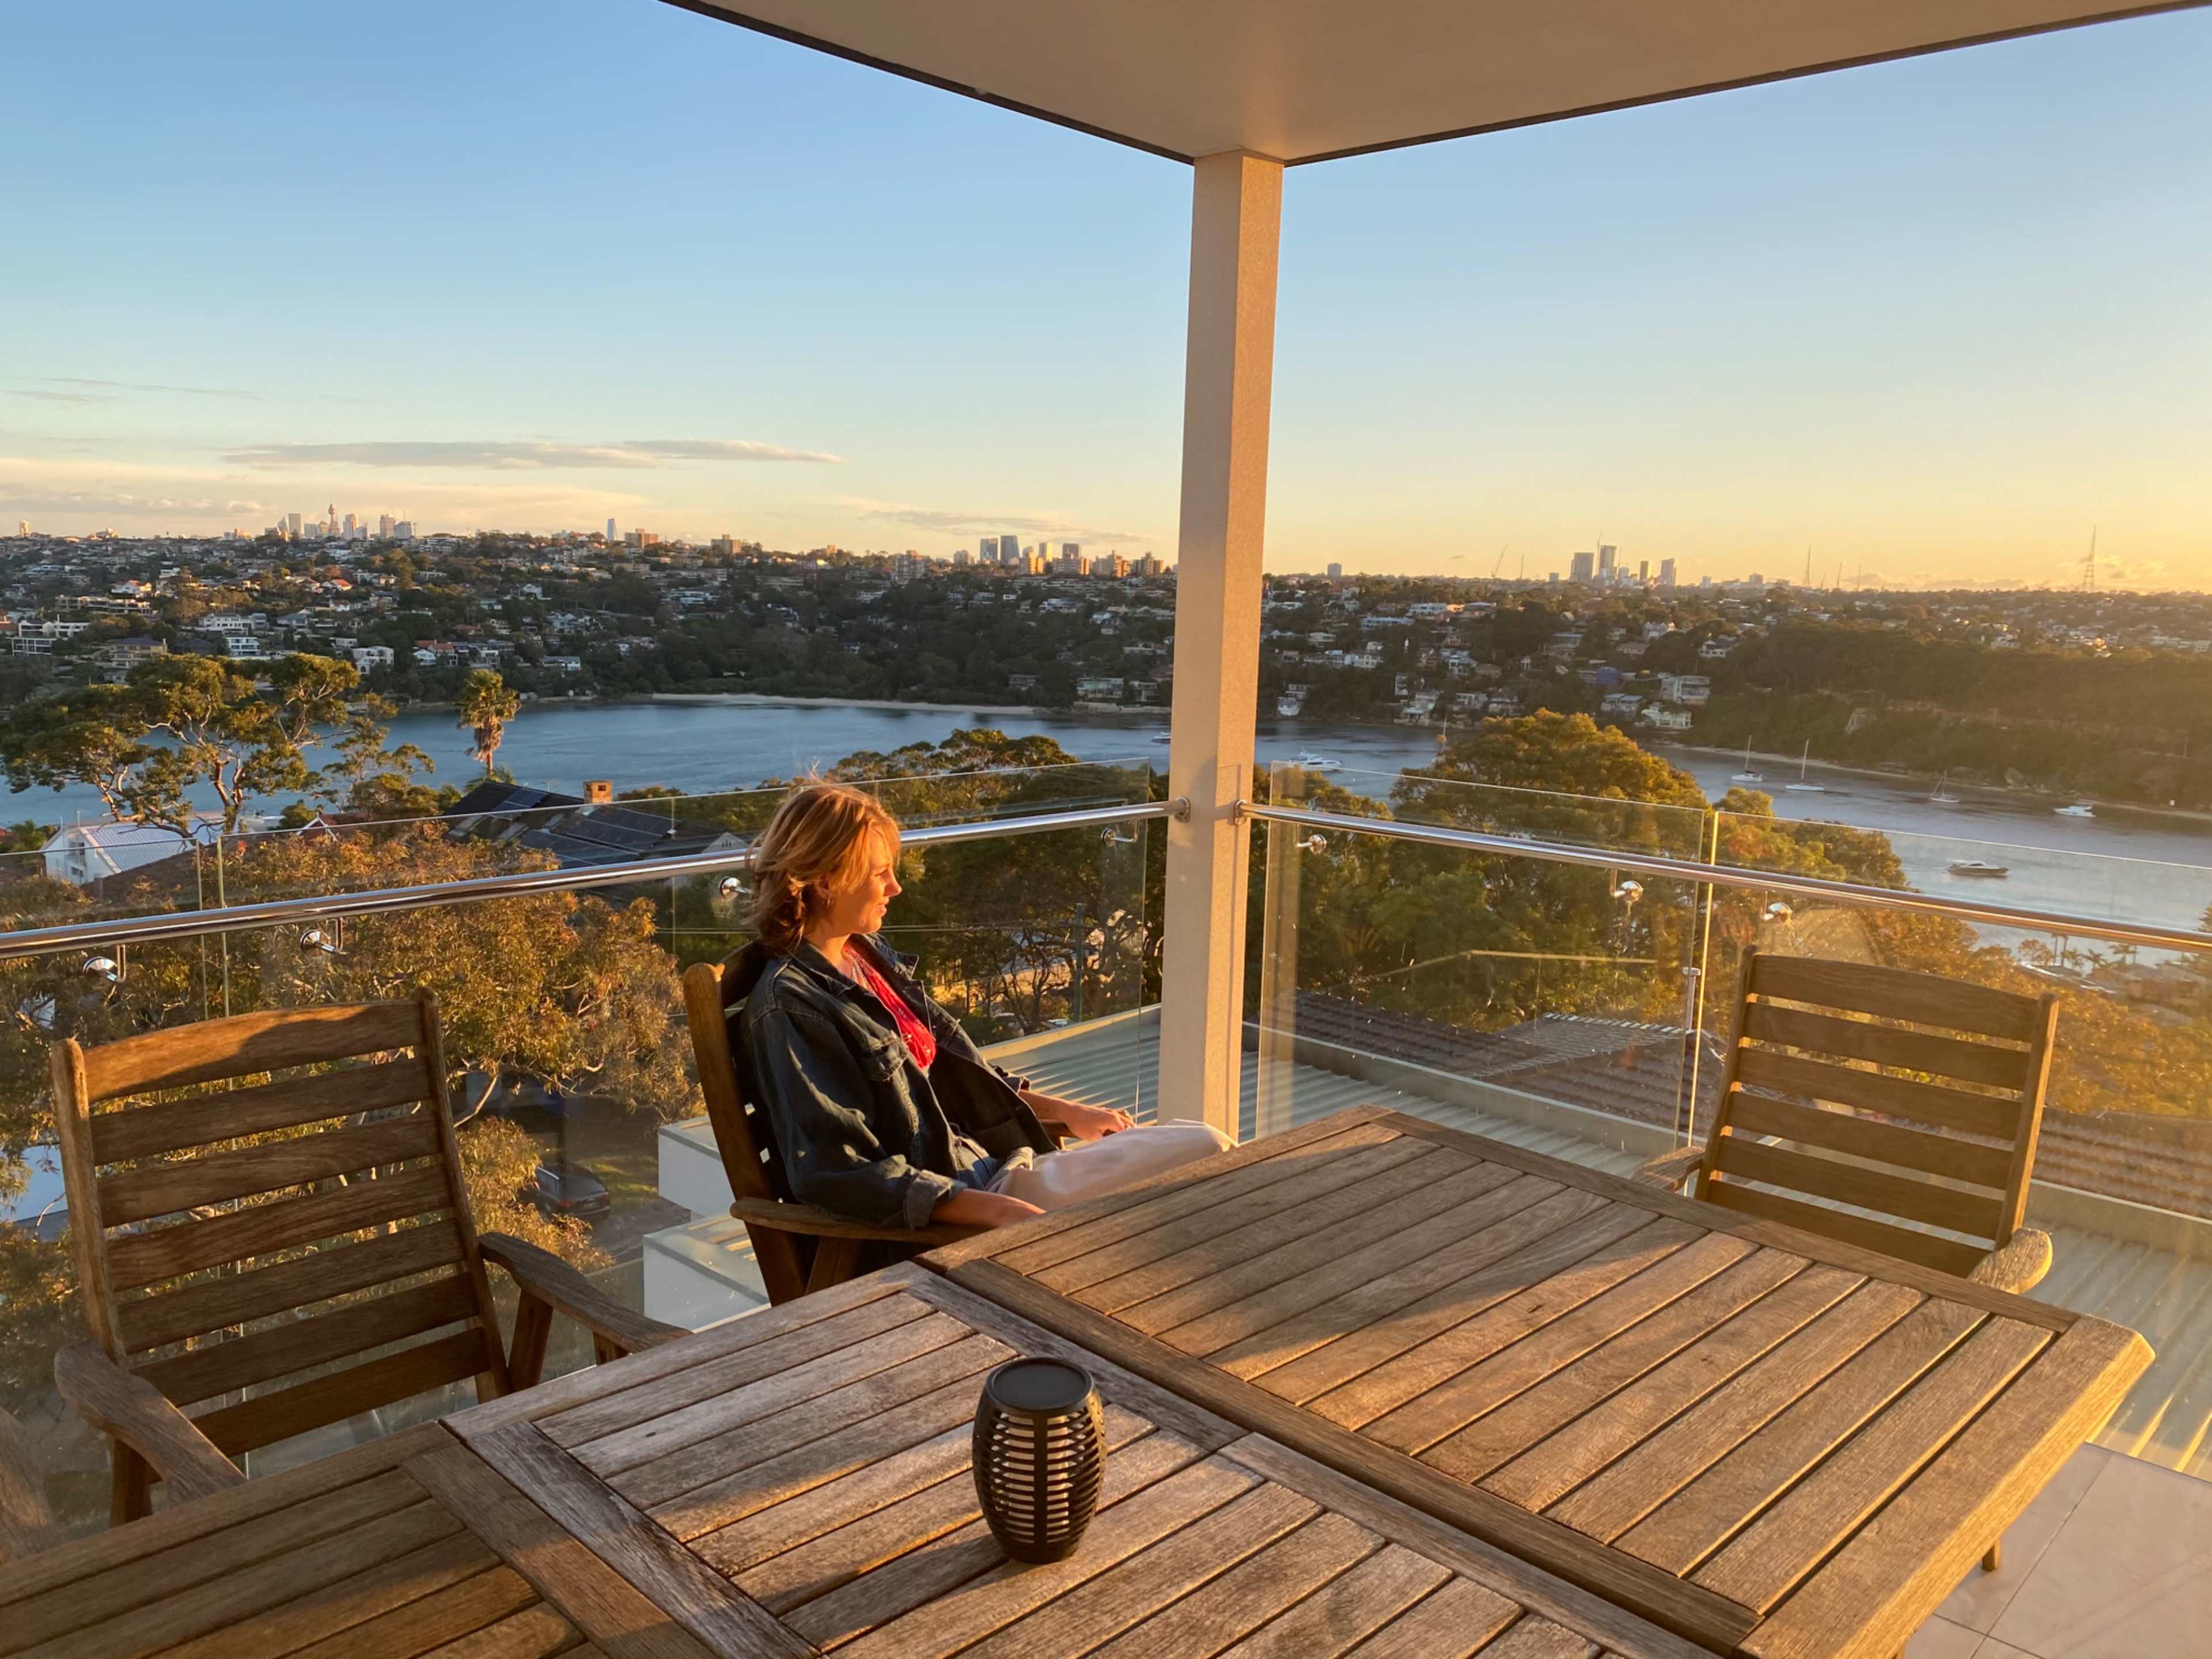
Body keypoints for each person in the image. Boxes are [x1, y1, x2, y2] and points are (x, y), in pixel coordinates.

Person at [738, 781, 1232, 1230]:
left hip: (1002, 1167)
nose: (895, 888)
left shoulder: (865, 957)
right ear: (825, 880)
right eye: (880, 873)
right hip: (972, 1202)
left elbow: (947, 1083)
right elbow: (836, 1170)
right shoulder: (791, 1006)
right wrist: (997, 1211)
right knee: (1208, 1152)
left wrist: (1067, 1111)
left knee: (1202, 1142)